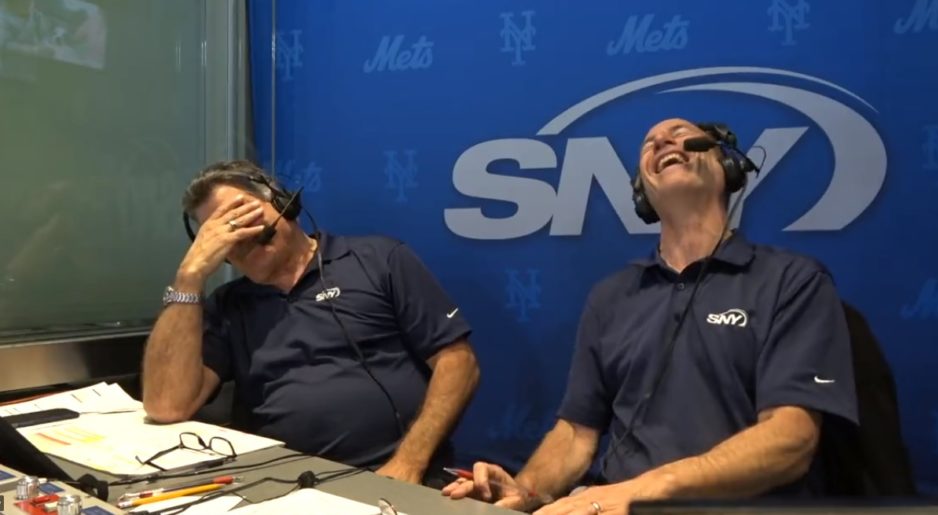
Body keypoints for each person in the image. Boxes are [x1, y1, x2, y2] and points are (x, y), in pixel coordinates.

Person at [442, 118, 858, 513]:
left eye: (679, 133)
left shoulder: (791, 280)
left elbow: (791, 438)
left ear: (727, 167)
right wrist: (525, 491)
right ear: (642, 194)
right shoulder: (611, 296)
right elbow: (575, 434)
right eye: (649, 144)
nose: (662, 141)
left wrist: (645, 491)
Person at [142, 160, 480, 487]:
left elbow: (458, 364)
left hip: (394, 474)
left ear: (283, 203)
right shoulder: (228, 304)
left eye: (240, 215)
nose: (237, 236)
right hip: (279, 484)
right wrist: (189, 277)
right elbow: (166, 406)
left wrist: (409, 462)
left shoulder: (379, 260)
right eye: (219, 231)